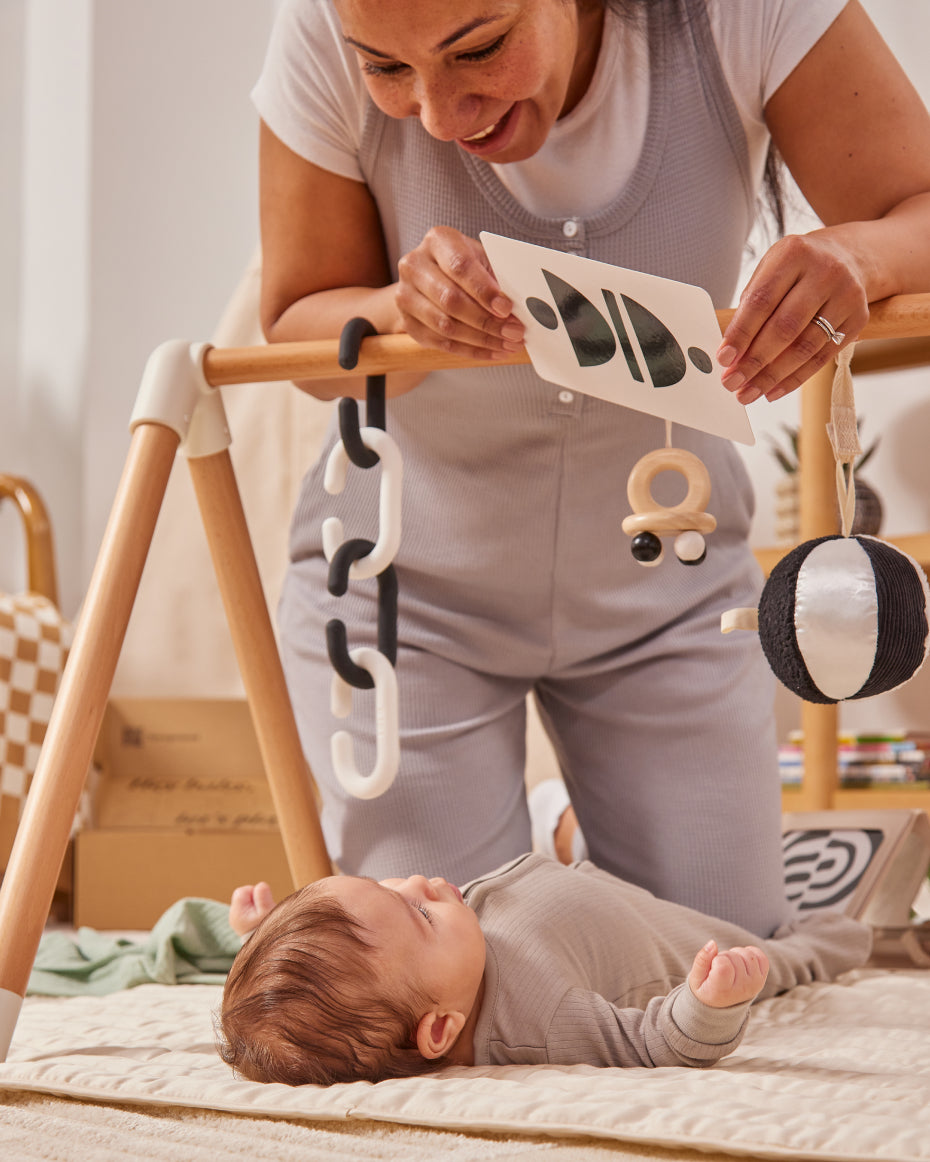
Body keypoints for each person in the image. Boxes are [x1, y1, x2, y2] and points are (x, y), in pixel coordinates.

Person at [252, 0, 930, 934]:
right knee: (453, 989)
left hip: (668, 596)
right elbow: (294, 317)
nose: (442, 116)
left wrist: (860, 252)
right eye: (386, 70)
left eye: (480, 47)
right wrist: (398, 313)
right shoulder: (319, 25)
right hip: (409, 600)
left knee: (718, 960)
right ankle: (551, 846)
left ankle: (558, 835)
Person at [217, 853, 872, 1085]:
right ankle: (845, 935)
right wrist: (711, 1003)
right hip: (665, 937)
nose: (419, 880)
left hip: (584, 894)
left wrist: (265, 936)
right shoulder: (540, 1026)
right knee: (783, 957)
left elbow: (297, 998)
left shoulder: (433, 973)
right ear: (439, 1031)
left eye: (390, 886)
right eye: (418, 912)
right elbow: (651, 1045)